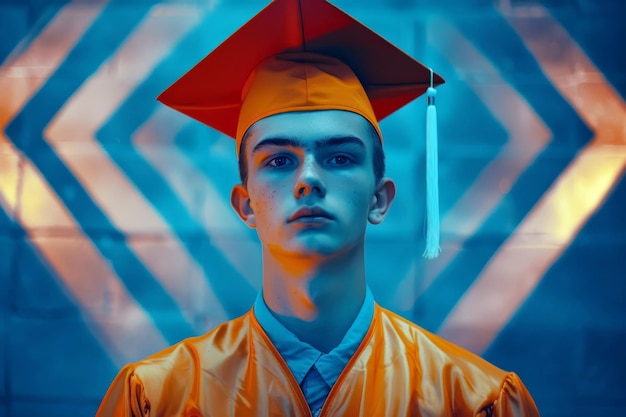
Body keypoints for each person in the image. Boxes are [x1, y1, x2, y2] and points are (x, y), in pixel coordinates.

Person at [96, 0, 540, 415]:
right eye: (279, 161)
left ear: (379, 199)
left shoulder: (471, 400)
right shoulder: (158, 399)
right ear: (245, 204)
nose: (308, 179)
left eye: (340, 158)